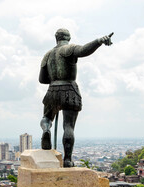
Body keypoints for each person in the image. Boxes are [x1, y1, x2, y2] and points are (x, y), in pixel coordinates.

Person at [39, 28, 113, 167]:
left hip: (52, 90)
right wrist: (99, 41)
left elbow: (42, 79)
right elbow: (84, 50)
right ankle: (67, 159)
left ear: (56, 38)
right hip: (69, 89)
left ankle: (46, 129)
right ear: (69, 38)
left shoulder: (47, 55)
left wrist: (54, 78)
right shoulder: (70, 49)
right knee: (68, 126)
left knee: (47, 118)